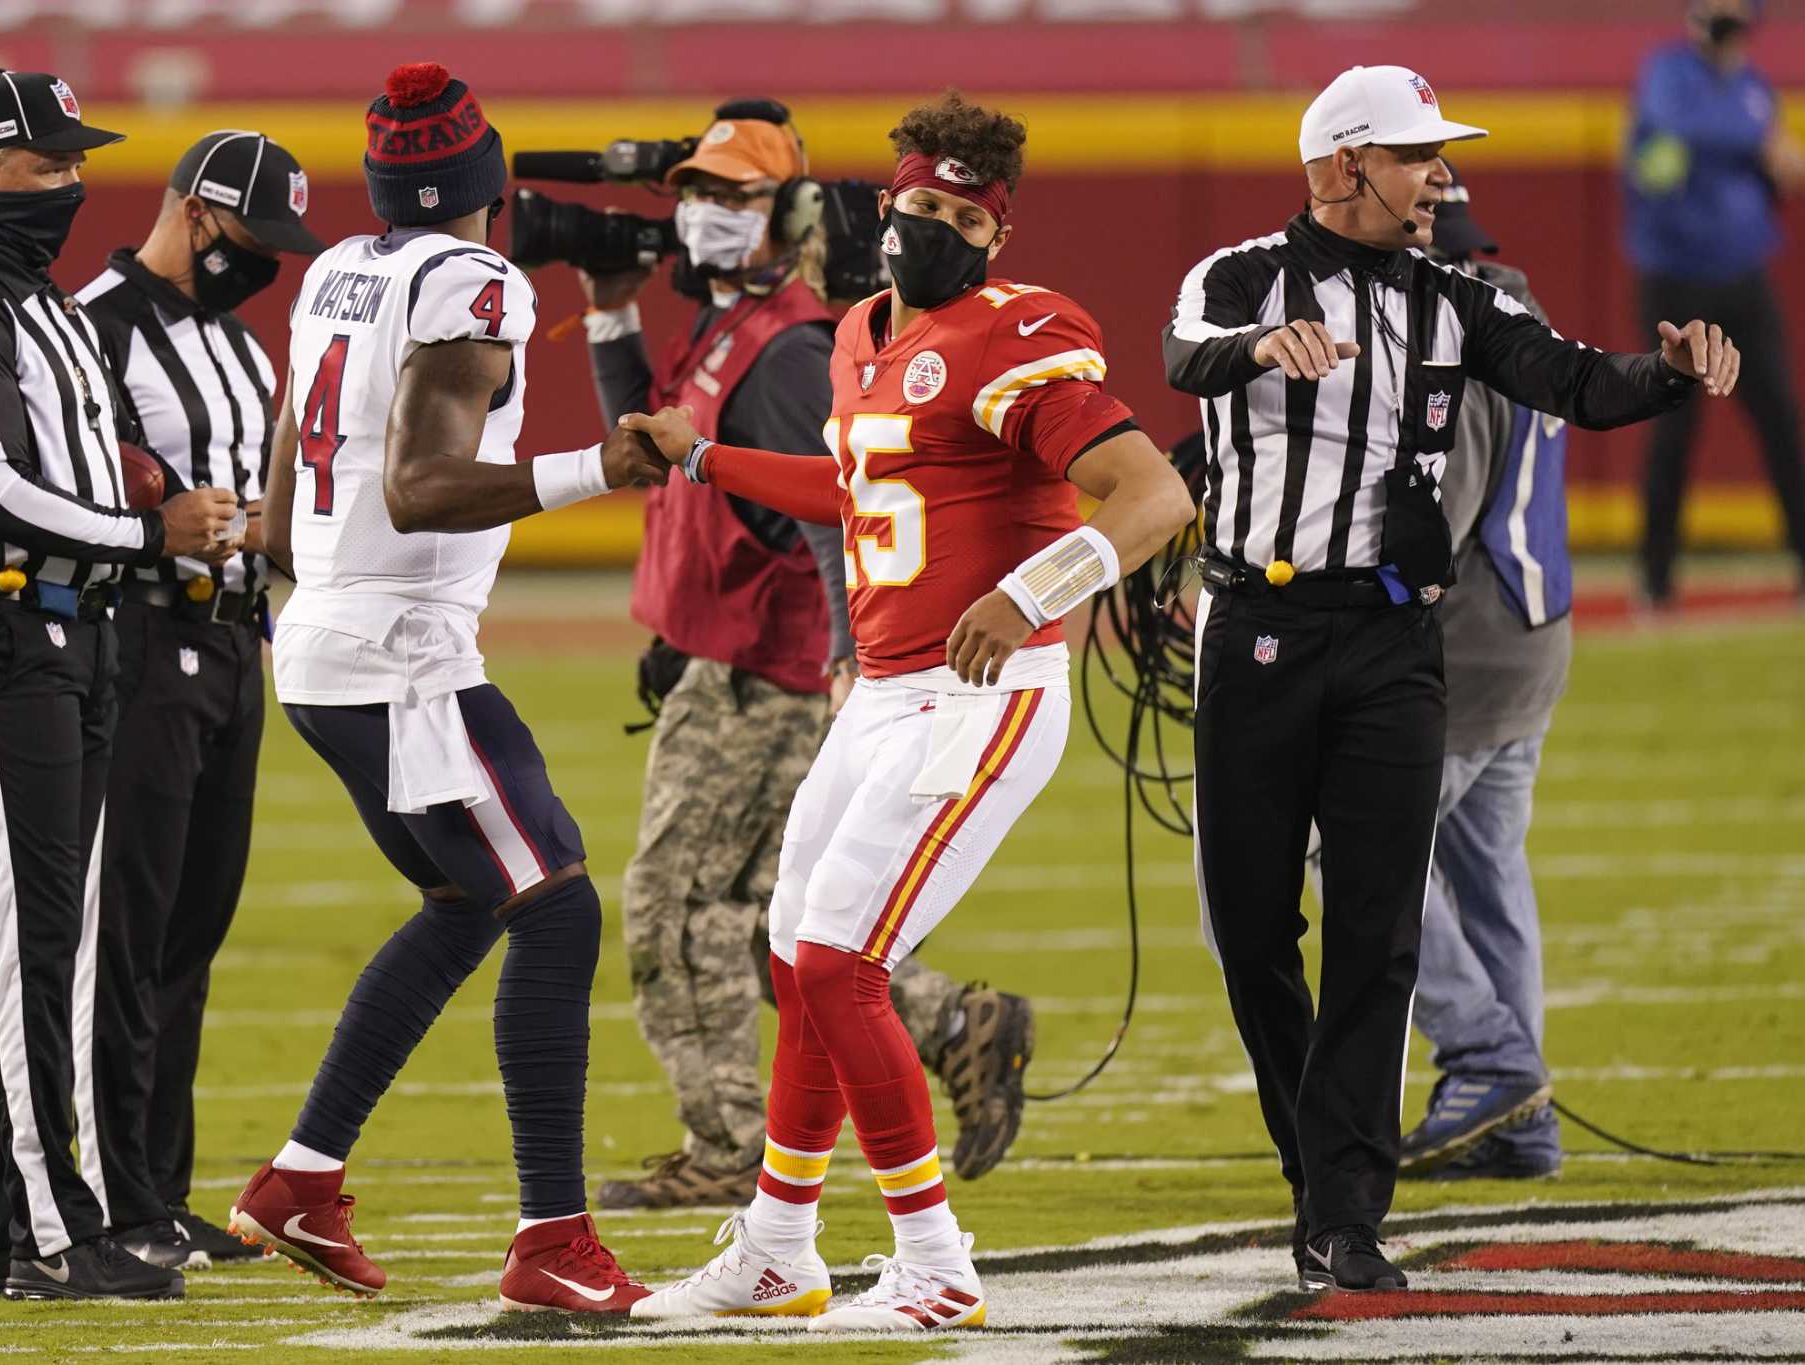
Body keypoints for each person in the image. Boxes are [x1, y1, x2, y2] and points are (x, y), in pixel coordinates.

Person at [620, 91, 1195, 1330]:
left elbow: (1149, 500)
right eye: (911, 204)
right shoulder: (857, 335)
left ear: (993, 234)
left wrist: (1033, 590)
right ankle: (777, 1247)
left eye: (952, 213)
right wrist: (703, 456)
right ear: (879, 207)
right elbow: (857, 486)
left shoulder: (1015, 331)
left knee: (839, 961)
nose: (924, 226)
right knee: (790, 953)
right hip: (883, 691)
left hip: (982, 693)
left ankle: (933, 1264)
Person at [1164, 64, 1738, 1294]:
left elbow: (1572, 380)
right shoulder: (1236, 273)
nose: (1438, 177)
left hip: (1389, 645)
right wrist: (1257, 345)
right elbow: (1183, 353)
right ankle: (1310, 1161)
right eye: (1416, 154)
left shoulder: (1447, 298)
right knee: (1251, 930)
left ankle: (1347, 1211)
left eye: (1440, 156)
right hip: (1254, 631)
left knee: (1376, 938)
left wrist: (1670, 371)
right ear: (1338, 167)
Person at [226, 61, 668, 1312]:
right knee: (556, 907)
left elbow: (277, 513)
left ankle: (300, 1179)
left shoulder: (334, 272)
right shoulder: (474, 283)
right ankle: (550, 1241)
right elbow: (420, 486)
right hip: (395, 651)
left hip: (325, 632)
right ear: (488, 181)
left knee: (464, 903)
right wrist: (603, 465)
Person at [581, 105, 1029, 1210]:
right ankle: (945, 1022)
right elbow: (665, 463)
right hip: (736, 657)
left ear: (787, 215)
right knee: (770, 913)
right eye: (696, 191)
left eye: (735, 197)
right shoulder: (743, 325)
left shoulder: (784, 345)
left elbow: (836, 515)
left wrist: (839, 655)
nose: (705, 215)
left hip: (766, 673)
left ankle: (736, 1146)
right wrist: (604, 322)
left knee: (681, 908)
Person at [0, 68, 241, 1303]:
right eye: (44, 164)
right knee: (35, 932)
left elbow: (93, 462)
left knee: (51, 938)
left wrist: (139, 496)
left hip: (77, 632)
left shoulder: (39, 300)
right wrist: (153, 536)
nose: (68, 184)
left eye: (73, 162)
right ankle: (57, 1232)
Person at [75, 130, 326, 1268]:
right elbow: (73, 491)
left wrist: (269, 530)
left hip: (233, 645)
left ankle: (159, 1189)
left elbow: (272, 496)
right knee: (123, 929)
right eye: (251, 236)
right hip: (135, 638)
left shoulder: (237, 346)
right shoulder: (89, 328)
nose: (260, 261)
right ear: (193, 209)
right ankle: (106, 1194)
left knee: (191, 928)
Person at [1391, 164, 1565, 1182]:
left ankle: (1488, 1059)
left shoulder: (1445, 343)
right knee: (1487, 877)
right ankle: (1519, 1119)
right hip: (1535, 630)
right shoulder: (1521, 309)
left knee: (1337, 839)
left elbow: (1429, 533)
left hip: (1465, 646)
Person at [1626, 0, 1805, 606]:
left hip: (1743, 278)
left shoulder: (1753, 86)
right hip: (1678, 284)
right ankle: (1655, 580)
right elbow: (1684, 126)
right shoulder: (1669, 73)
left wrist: (1777, 165)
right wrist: (1760, 140)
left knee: (1781, 422)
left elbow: (1773, 163)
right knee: (1672, 432)